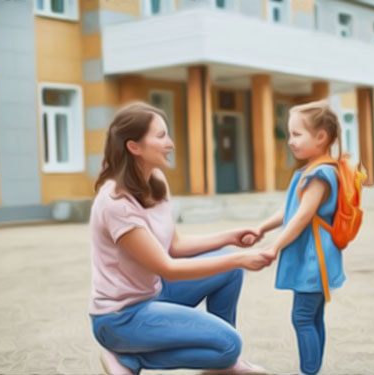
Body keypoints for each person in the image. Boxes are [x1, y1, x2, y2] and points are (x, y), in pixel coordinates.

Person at [88, 102, 271, 375]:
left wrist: (228, 238)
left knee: (230, 271)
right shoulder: (116, 203)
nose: (170, 144)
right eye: (161, 136)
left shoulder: (155, 181)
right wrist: (242, 258)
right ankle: (126, 358)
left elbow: (174, 246)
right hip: (120, 318)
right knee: (229, 345)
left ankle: (221, 365)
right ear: (134, 146)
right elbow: (168, 268)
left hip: (155, 293)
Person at [249, 100, 347, 375]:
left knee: (303, 316)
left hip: (314, 256)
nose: (290, 141)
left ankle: (309, 371)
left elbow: (303, 216)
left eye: (296, 134)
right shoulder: (307, 171)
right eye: (289, 134)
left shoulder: (320, 173)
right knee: (312, 316)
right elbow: (290, 208)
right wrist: (262, 228)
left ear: (321, 137)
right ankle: (312, 369)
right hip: (311, 254)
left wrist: (275, 247)